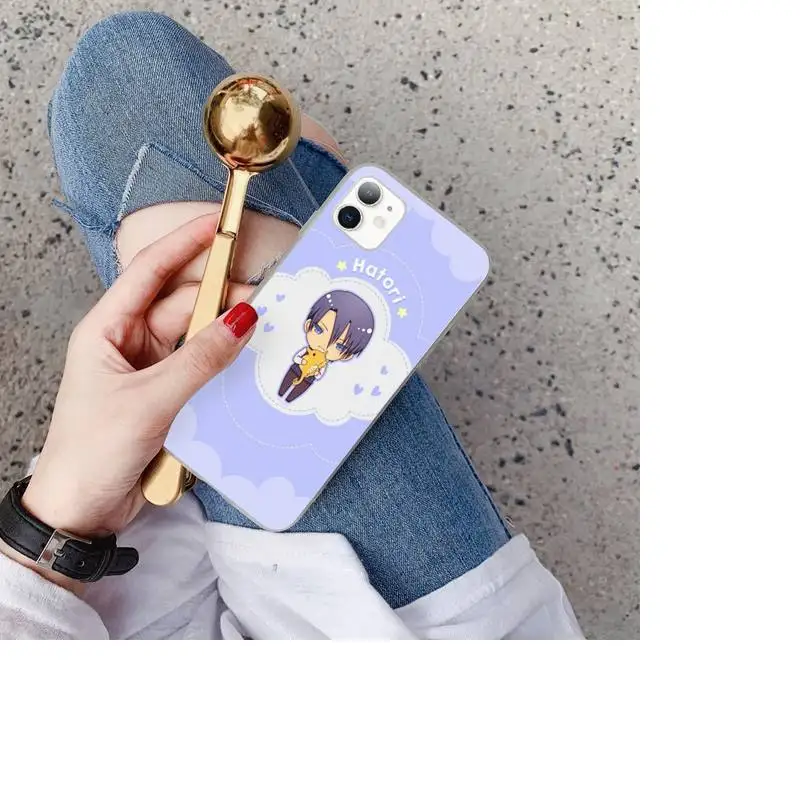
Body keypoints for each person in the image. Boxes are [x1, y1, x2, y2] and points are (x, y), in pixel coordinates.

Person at [0, 12, 581, 639]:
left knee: (124, 89)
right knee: (132, 76)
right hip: (389, 636)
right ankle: (311, 179)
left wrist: (55, 521)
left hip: (107, 572)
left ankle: (311, 179)